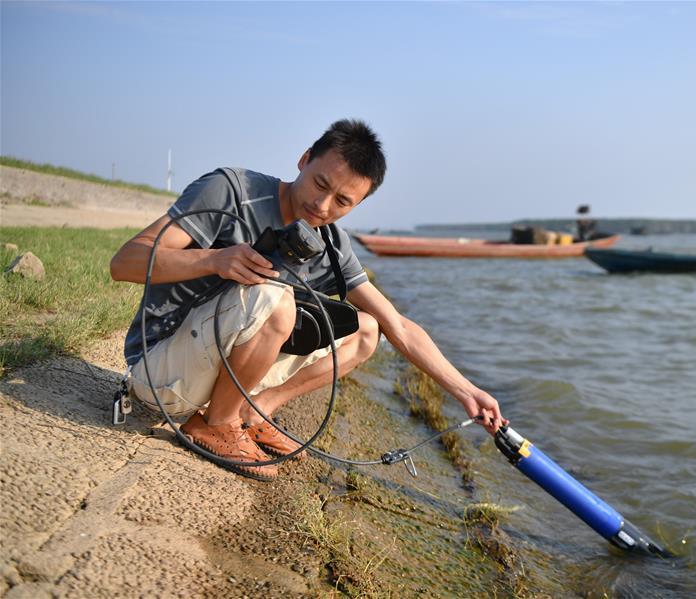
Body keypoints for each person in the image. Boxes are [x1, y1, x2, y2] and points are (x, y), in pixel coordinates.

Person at [109, 119, 506, 481]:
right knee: (277, 299)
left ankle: (254, 411)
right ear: (303, 160)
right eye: (320, 184)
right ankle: (217, 423)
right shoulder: (231, 190)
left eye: (342, 201)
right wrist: (214, 259)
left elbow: (396, 324)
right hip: (161, 374)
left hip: (212, 368)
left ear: (357, 206)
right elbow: (124, 263)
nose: (322, 205)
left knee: (367, 329)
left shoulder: (330, 243)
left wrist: (467, 392)